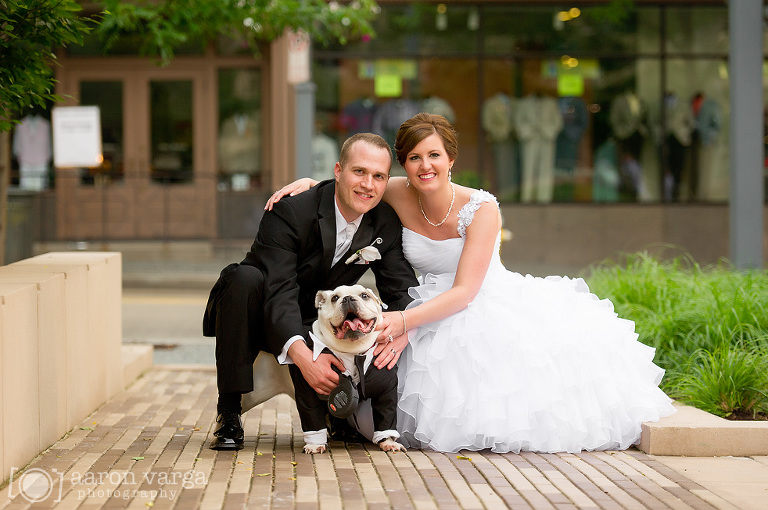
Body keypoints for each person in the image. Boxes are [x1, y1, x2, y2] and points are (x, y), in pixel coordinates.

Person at [267, 113, 676, 454]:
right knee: (378, 398)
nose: (425, 166)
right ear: (402, 165)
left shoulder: (482, 208)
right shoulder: (393, 190)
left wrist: (406, 323)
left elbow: (464, 291)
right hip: (418, 296)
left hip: (477, 301)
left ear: (450, 160)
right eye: (413, 157)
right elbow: (350, 183)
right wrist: (305, 185)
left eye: (434, 156)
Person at [204, 132, 418, 450]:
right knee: (242, 279)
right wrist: (304, 358)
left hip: (322, 318)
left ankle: (340, 416)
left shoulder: (383, 220)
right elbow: (279, 290)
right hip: (263, 309)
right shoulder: (289, 211)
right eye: (359, 171)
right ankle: (229, 412)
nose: (368, 185)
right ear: (338, 170)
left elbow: (399, 287)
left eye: (378, 176)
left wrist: (402, 330)